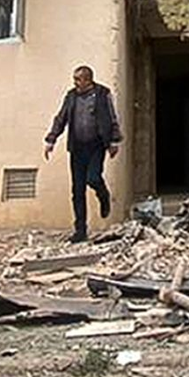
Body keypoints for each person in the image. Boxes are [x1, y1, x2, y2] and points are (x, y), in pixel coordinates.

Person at [44, 65, 122, 243]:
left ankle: (103, 195)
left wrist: (114, 141)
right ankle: (80, 231)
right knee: (77, 190)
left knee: (93, 178)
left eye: (78, 79)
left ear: (88, 80)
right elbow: (61, 118)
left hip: (96, 146)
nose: (75, 83)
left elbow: (111, 117)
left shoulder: (103, 94)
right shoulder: (71, 96)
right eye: (74, 79)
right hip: (77, 147)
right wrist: (51, 139)